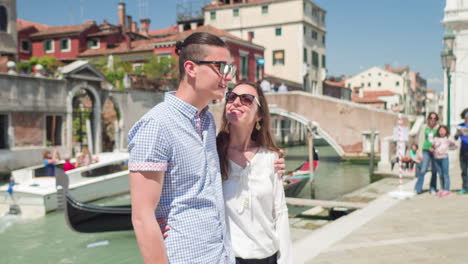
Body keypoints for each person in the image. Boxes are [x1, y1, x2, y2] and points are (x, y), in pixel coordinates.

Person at [128, 32, 285, 264]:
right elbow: (142, 217)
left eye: (228, 69)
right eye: (220, 67)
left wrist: (271, 160)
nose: (227, 77)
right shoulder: (157, 125)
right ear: (191, 68)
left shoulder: (208, 122)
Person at [217, 81, 293, 263]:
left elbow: (280, 212)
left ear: (259, 115)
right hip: (227, 258)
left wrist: (287, 259)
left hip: (267, 256)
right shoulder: (212, 155)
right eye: (231, 97)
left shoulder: (271, 158)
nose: (236, 102)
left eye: (246, 99)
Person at [414, 112, 440, 194]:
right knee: (423, 169)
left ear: (436, 120)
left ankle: (433, 188)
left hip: (435, 151)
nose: (432, 120)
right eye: (431, 118)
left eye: (434, 118)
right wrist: (419, 152)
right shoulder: (424, 127)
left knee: (434, 170)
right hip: (425, 150)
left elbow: (441, 139)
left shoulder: (439, 128)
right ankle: (418, 188)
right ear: (428, 119)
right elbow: (420, 140)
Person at [432, 125, 458, 197]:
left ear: (446, 131)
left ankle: (447, 189)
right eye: (440, 130)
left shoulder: (448, 138)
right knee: (440, 174)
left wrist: (450, 147)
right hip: (436, 158)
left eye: (443, 130)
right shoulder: (436, 138)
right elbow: (433, 147)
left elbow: (456, 145)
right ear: (438, 131)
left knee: (445, 174)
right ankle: (442, 189)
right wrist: (433, 148)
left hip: (444, 158)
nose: (442, 132)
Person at [455, 108, 468, 194]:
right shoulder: (460, 126)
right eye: (466, 115)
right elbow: (455, 138)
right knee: (464, 170)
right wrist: (457, 134)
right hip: (463, 150)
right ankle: (465, 187)